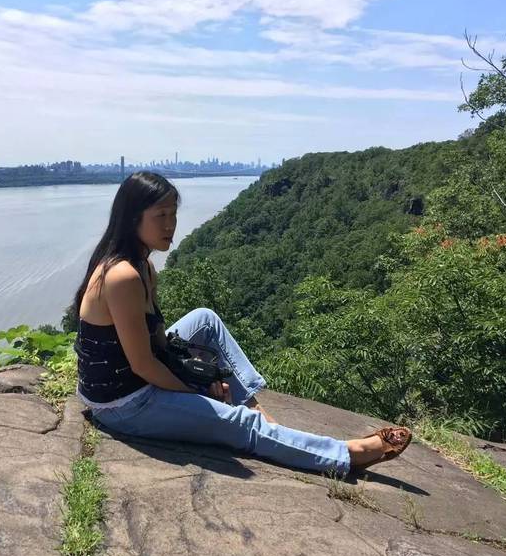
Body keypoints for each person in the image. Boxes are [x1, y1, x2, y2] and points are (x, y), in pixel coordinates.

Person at [71, 171, 411, 476]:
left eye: (173, 214)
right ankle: (346, 454)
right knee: (239, 425)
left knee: (205, 320)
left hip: (134, 381)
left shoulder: (143, 268)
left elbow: (158, 342)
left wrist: (200, 374)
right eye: (160, 216)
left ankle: (255, 409)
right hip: (122, 404)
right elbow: (143, 365)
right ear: (133, 218)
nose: (170, 225)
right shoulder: (122, 276)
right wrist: (200, 393)